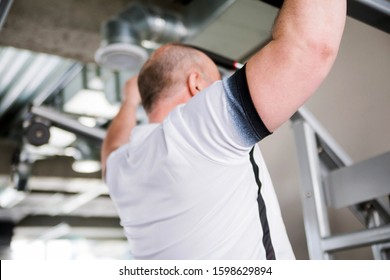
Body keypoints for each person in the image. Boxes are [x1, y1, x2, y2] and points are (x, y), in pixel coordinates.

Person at [102, 0, 346, 259]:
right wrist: (130, 99)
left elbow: (111, 148)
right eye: (217, 83)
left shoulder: (124, 166)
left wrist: (129, 101)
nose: (219, 91)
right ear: (196, 85)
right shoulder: (196, 129)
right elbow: (312, 47)